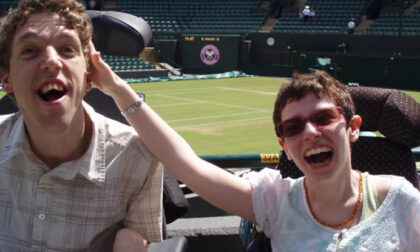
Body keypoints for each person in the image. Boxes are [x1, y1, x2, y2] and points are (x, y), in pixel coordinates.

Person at [90, 37, 420, 251]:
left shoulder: (400, 199)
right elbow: (186, 165)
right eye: (294, 127)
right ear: (284, 145)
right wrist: (118, 89)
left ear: (353, 128)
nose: (309, 132)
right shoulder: (275, 202)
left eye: (323, 118)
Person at [0, 0, 163, 251]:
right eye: (30, 51)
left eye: (66, 49)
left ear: (89, 77)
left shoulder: (137, 157)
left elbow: (139, 236)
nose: (51, 61)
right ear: (6, 79)